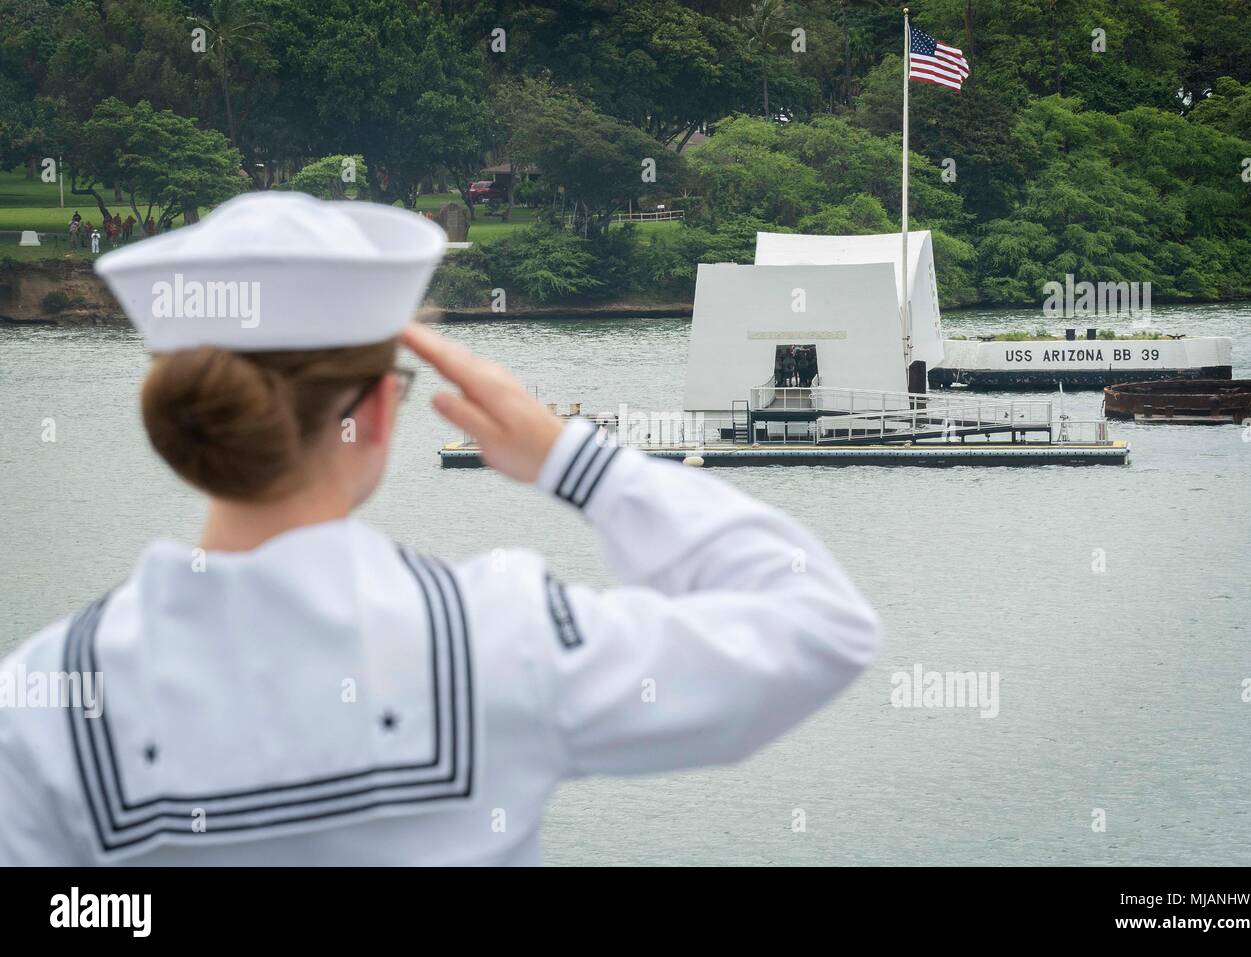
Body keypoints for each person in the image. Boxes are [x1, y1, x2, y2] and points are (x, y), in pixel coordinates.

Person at [0, 192, 879, 866]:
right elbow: (820, 626)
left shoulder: (43, 696)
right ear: (380, 410)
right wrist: (574, 457)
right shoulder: (497, 639)